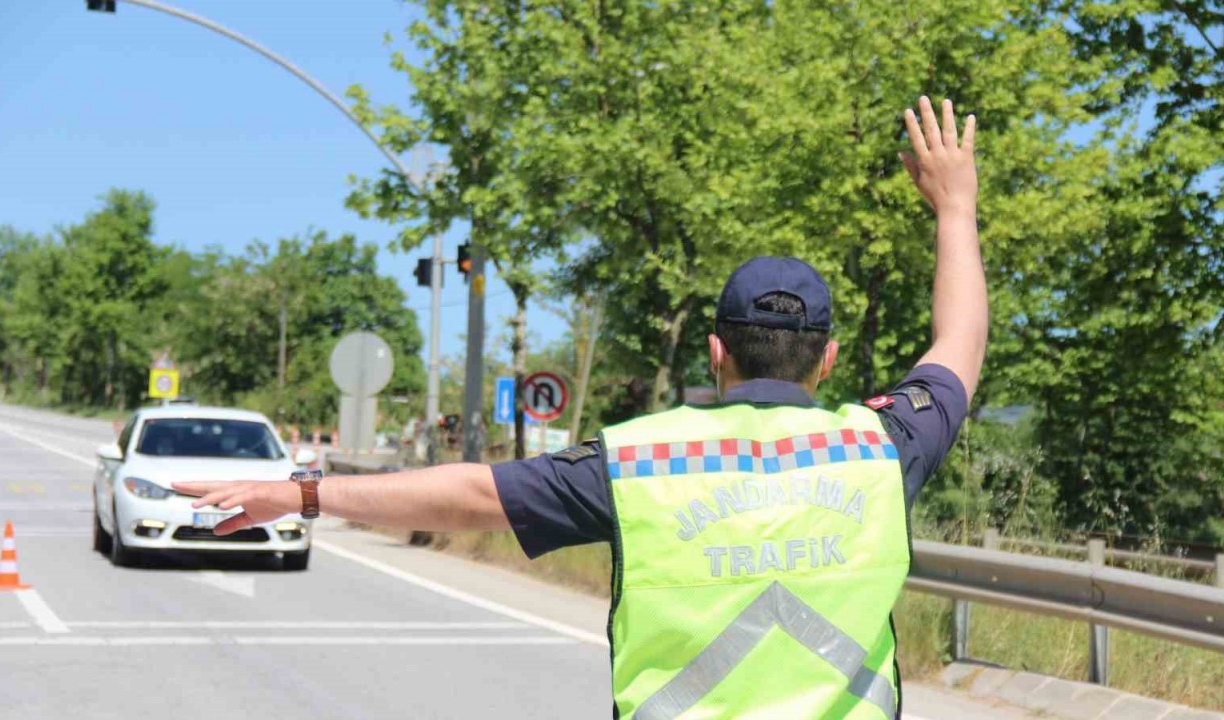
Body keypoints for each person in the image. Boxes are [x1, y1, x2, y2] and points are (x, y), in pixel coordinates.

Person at [175, 95, 985, 720]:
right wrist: (954, 206)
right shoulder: (881, 446)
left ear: (716, 351)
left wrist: (301, 494)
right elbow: (958, 343)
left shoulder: (642, 460)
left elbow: (467, 495)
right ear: (829, 358)